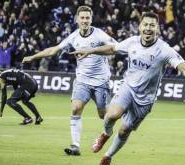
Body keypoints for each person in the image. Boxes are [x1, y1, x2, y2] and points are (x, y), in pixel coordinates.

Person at [70, 12, 185, 165]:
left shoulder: (164, 49)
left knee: (124, 130)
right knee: (111, 116)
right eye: (145, 25)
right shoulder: (132, 42)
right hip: (127, 88)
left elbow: (184, 67)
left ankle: (107, 157)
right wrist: (90, 51)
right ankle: (105, 134)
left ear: (158, 29)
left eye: (152, 25)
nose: (148, 28)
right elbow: (113, 48)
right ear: (140, 27)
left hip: (145, 99)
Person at [22, 6, 117, 156]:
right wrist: (34, 57)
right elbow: (53, 50)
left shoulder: (99, 35)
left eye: (87, 18)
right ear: (77, 19)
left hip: (101, 82)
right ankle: (75, 146)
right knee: (75, 109)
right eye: (82, 18)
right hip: (82, 81)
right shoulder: (73, 37)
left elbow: (114, 48)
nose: (85, 20)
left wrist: (91, 51)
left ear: (91, 19)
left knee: (103, 115)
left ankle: (107, 134)